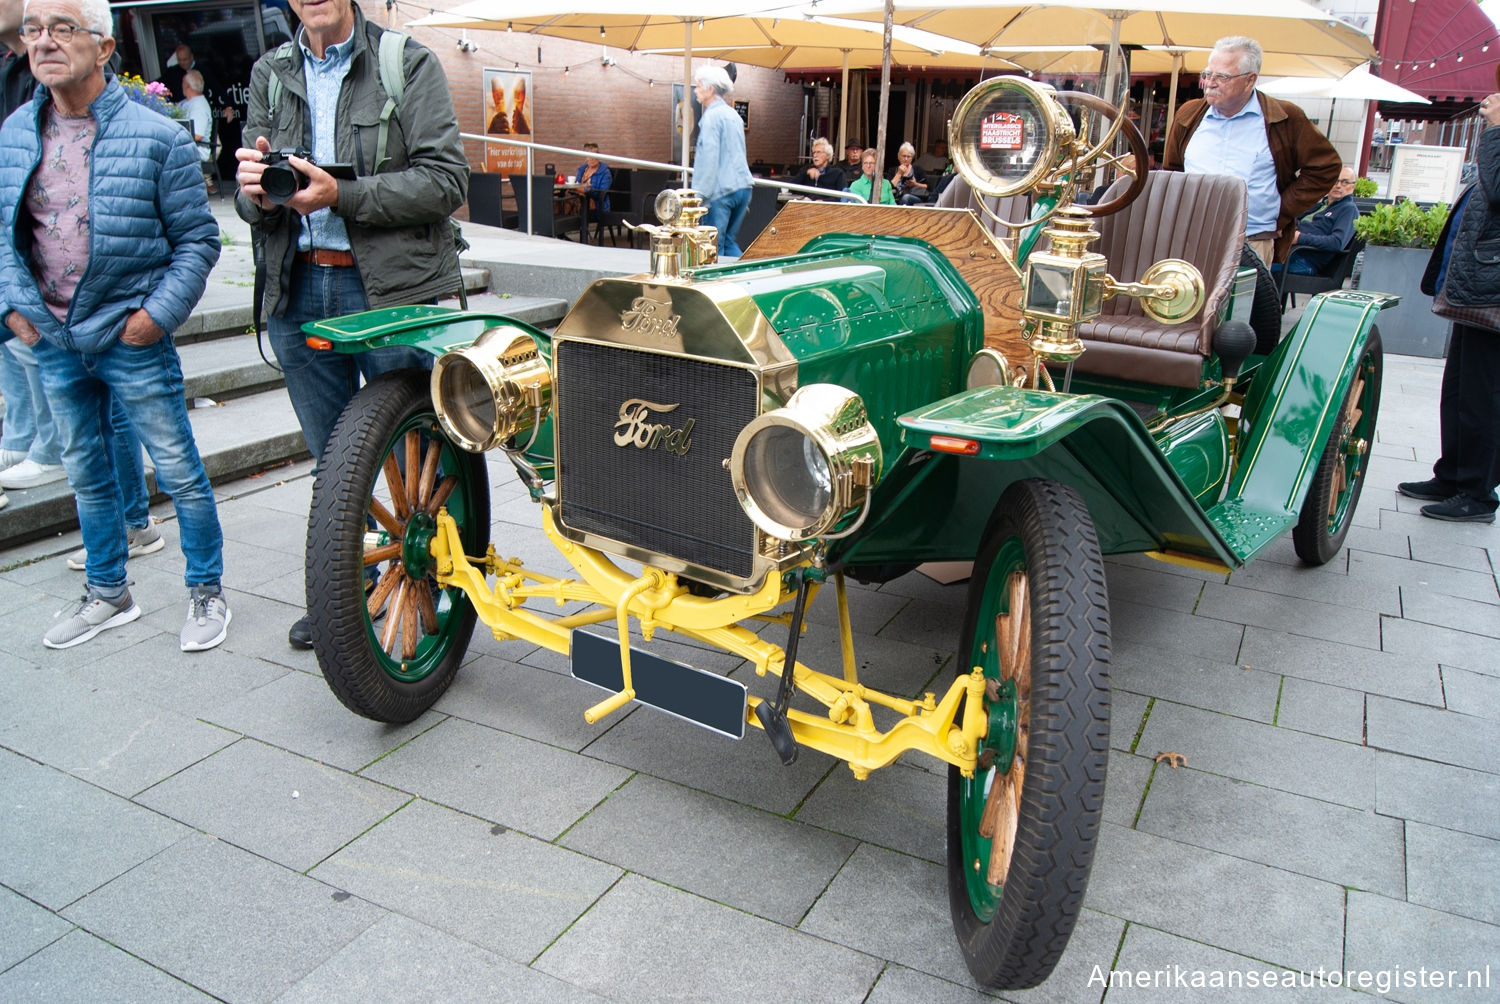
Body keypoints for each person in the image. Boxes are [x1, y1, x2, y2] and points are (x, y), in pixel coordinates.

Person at [235, 0, 468, 649]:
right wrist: (252, 190)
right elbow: (250, 201)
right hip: (298, 282)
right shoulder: (270, 72)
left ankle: (440, 595)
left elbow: (446, 180)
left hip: (388, 286)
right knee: (334, 459)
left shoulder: (405, 62)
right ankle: (354, 596)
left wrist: (344, 196)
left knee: (413, 458)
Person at [0, 0, 228, 650]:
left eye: (62, 28)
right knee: (85, 473)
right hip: (53, 339)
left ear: (103, 49)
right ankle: (108, 593)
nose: (43, 42)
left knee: (178, 467)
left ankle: (207, 593)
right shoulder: (15, 133)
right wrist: (14, 311)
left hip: (131, 337)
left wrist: (154, 318)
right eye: (33, 30)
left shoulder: (159, 135)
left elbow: (197, 241)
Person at [1397, 92, 1500, 524]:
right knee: (1459, 390)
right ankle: (1454, 474)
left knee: (1485, 395)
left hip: (1492, 289)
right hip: (1477, 287)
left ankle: (1478, 494)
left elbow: (1497, 189)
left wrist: (1496, 130)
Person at [1162, 35, 1340, 266]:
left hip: (1251, 242)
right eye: (1207, 74)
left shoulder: (1284, 118)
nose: (1210, 82)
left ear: (1250, 80)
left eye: (1222, 76)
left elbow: (1326, 167)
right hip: (1191, 242)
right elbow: (1172, 171)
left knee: (1242, 303)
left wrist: (1279, 210)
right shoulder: (1189, 114)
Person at [690, 65, 753, 258]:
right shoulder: (733, 115)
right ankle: (745, 277)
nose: (696, 90)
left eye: (699, 86)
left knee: (711, 247)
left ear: (710, 89)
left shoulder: (711, 117)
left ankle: (718, 286)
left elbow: (707, 160)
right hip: (743, 186)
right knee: (728, 242)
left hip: (721, 191)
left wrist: (699, 198)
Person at [1278, 166, 1358, 276]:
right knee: (1255, 255)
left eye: (1345, 182)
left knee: (1259, 267)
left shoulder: (1348, 209)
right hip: (1288, 252)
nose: (1338, 186)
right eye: (1335, 180)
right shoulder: (1320, 205)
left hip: (1304, 260)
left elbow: (1336, 242)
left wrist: (1299, 238)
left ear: (1353, 186)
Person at [574, 141, 611, 231]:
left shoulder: (605, 172)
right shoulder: (582, 169)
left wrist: (584, 190)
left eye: (594, 156)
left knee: (569, 203)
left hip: (597, 204)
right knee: (563, 199)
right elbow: (576, 184)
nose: (591, 159)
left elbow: (601, 193)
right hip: (580, 199)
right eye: (588, 156)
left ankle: (564, 228)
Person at [180, 68, 212, 168]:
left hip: (197, 149)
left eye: (183, 82)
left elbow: (197, 135)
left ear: (187, 86)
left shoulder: (199, 106)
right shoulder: (186, 102)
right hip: (186, 147)